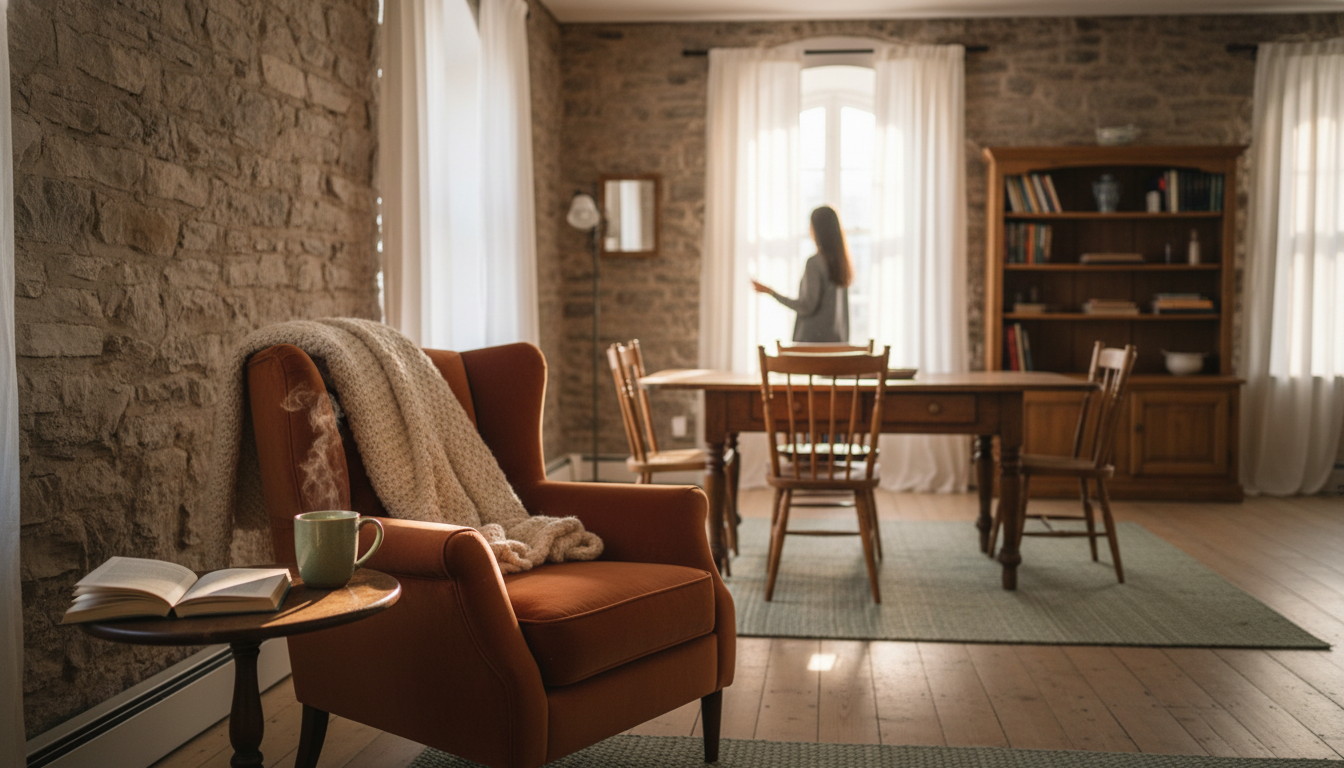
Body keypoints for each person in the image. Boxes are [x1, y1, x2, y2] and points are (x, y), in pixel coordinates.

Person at [750, 205, 854, 343]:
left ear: (817, 230)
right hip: (836, 344)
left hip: (811, 344)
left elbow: (806, 306)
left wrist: (771, 292)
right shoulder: (842, 264)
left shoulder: (815, 263)